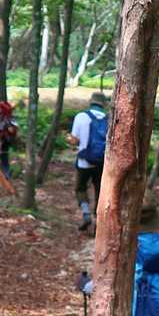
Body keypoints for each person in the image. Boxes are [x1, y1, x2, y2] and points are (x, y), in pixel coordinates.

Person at [69, 92, 109, 232]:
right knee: (99, 191)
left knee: (80, 188)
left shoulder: (81, 116)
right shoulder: (108, 119)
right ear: (104, 104)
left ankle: (86, 214)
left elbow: (74, 140)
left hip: (84, 162)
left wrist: (71, 141)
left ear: (91, 101)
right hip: (101, 163)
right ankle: (98, 222)